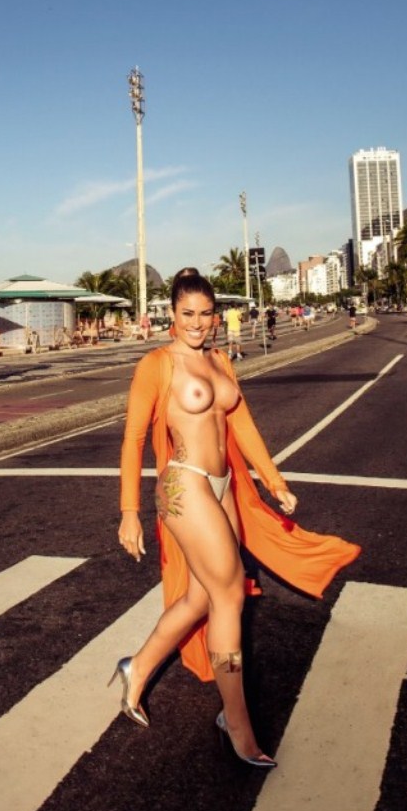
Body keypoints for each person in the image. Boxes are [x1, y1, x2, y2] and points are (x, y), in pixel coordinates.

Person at [113, 268, 361, 768]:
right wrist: (128, 512)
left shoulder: (220, 360)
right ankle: (237, 723)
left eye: (206, 314)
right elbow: (133, 439)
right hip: (184, 484)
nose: (197, 323)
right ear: (171, 314)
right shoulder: (157, 365)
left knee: (202, 597)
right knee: (230, 595)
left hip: (223, 485)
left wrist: (274, 481)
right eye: (187, 314)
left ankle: (136, 667)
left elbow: (241, 425)